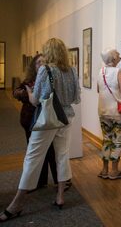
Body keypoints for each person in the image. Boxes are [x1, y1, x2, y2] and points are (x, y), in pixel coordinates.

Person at [0, 38, 80, 222]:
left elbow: (36, 101)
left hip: (47, 119)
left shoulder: (46, 69)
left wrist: (29, 92)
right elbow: (76, 98)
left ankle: (17, 203)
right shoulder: (72, 70)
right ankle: (60, 196)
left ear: (48, 52)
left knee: (32, 158)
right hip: (67, 118)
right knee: (62, 155)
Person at [13, 54, 58, 190]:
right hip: (30, 121)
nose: (41, 64)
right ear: (34, 65)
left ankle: (59, 180)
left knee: (51, 151)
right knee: (34, 152)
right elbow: (16, 92)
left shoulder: (51, 78)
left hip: (47, 120)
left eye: (44, 62)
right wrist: (29, 94)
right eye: (38, 62)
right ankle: (40, 181)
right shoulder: (29, 80)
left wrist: (33, 94)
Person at [97, 48, 121, 180]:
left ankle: (104, 170)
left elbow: (98, 90)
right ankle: (114, 171)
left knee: (106, 140)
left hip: (103, 111)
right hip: (117, 112)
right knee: (117, 140)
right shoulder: (118, 71)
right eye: (118, 56)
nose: (120, 58)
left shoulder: (101, 71)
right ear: (114, 59)